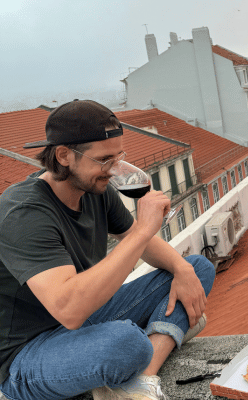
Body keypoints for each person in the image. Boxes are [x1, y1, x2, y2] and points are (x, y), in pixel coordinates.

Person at [0, 100, 216, 400]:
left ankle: (139, 381)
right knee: (127, 342)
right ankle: (162, 335)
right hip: (27, 357)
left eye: (118, 157)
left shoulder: (93, 188)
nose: (114, 170)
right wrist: (143, 229)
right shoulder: (24, 213)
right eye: (104, 160)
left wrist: (181, 269)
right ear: (64, 156)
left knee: (196, 267)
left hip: (84, 322)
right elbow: (70, 311)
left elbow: (142, 243)